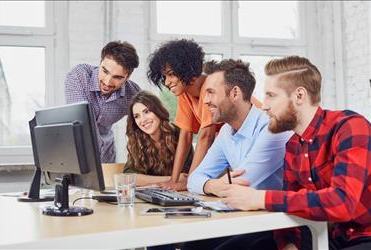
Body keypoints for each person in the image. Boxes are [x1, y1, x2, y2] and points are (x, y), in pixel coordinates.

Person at [220, 56, 371, 250]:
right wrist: (289, 245)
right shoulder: (293, 146)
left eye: (271, 95)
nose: (264, 105)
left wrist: (261, 198)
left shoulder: (349, 127)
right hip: (327, 235)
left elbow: (342, 202)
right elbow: (291, 206)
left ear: (299, 96)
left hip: (363, 236)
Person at [182, 59, 292, 250]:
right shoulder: (226, 132)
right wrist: (212, 185)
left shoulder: (272, 127)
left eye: (211, 92)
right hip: (242, 217)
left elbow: (244, 183)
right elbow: (194, 179)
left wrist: (218, 185)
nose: (205, 101)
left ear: (235, 93)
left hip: (276, 223)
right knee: (190, 246)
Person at [147, 39, 262, 190]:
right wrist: (173, 181)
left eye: (171, 74)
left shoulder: (210, 87)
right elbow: (185, 137)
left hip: (254, 134)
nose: (167, 82)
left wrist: (188, 183)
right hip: (232, 142)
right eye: (164, 77)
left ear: (187, 69)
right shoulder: (184, 94)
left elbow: (205, 137)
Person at [65, 41, 140, 163]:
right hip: (74, 153)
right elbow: (82, 124)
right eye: (105, 71)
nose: (107, 82)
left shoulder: (132, 93)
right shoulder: (79, 76)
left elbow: (145, 126)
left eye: (117, 77)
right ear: (100, 63)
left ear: (128, 76)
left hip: (106, 157)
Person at [123, 91, 194, 186]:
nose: (143, 120)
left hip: (183, 193)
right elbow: (128, 178)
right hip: (156, 194)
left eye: (147, 112)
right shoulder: (137, 140)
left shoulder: (179, 134)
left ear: (158, 110)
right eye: (137, 116)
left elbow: (186, 177)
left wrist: (175, 180)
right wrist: (172, 179)